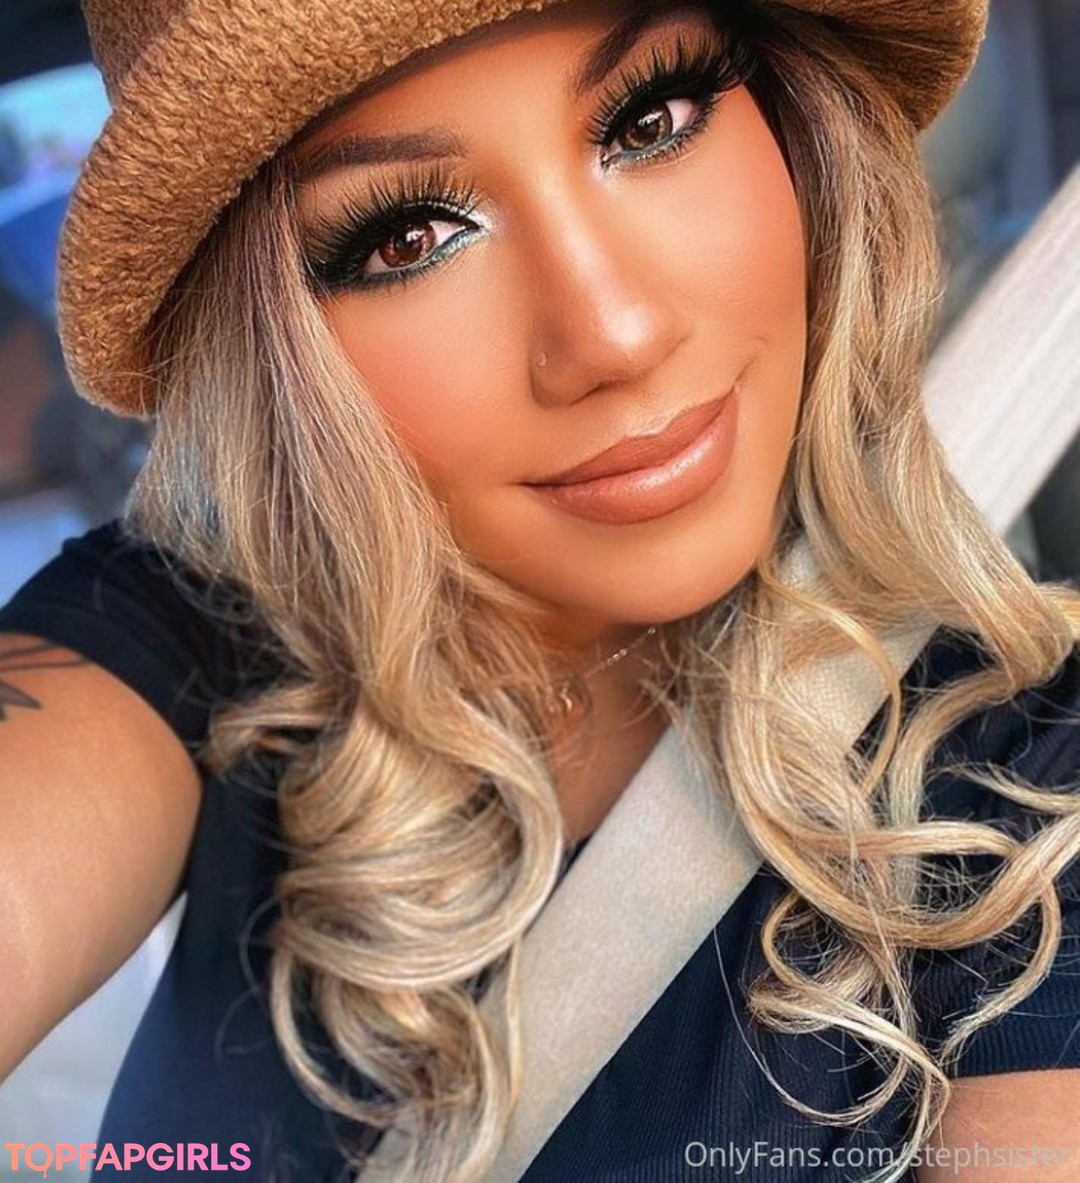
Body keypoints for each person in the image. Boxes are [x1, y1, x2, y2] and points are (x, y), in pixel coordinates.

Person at [1, 0, 1078, 1179]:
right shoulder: (181, 633)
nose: (614, 334)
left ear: (788, 118)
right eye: (409, 238)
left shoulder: (1033, 774)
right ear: (272, 349)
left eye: (652, 121)